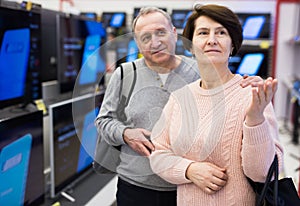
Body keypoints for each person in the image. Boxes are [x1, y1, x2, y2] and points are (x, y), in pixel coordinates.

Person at [95, 6, 267, 206]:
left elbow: (229, 91)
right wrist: (125, 134)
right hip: (135, 185)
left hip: (187, 187)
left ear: (174, 34)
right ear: (137, 43)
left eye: (161, 32)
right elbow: (103, 120)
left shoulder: (200, 70)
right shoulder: (124, 74)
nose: (155, 42)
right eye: (146, 37)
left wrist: (248, 85)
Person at [149, 4, 284, 206]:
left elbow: (263, 174)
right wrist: (189, 170)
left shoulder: (253, 94)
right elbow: (158, 155)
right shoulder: (179, 99)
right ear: (191, 45)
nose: (212, 40)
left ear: (232, 45)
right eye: (203, 33)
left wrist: (256, 119)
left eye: (221, 33)